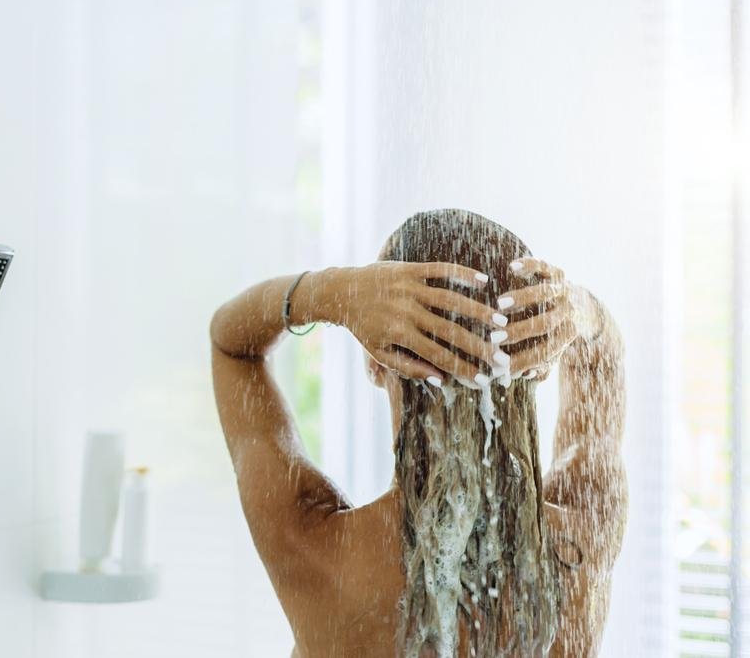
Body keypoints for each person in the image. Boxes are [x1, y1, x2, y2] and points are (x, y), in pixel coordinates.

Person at [210, 210, 626, 657]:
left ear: (375, 361)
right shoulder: (585, 540)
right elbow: (598, 371)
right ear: (539, 367)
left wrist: (332, 292)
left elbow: (232, 345)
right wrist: (583, 309)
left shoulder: (314, 548)